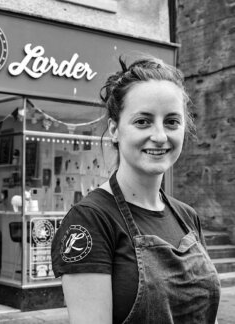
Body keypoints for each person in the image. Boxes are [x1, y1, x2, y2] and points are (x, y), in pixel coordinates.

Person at [51, 56, 221, 323]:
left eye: (172, 122)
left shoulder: (187, 216)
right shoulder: (91, 220)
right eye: (143, 121)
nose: (160, 136)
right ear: (115, 129)